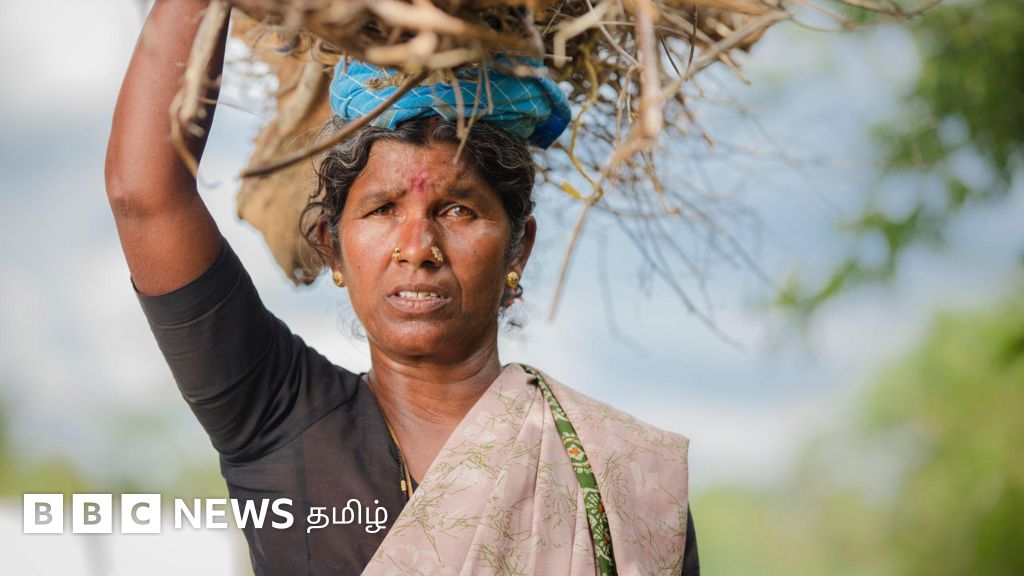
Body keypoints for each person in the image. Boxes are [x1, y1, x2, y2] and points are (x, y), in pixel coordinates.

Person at [104, 1, 699, 574]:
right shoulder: (277, 417)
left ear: (519, 247)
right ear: (331, 246)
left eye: (459, 210)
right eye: (383, 209)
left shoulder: (619, 476)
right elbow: (145, 199)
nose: (418, 247)